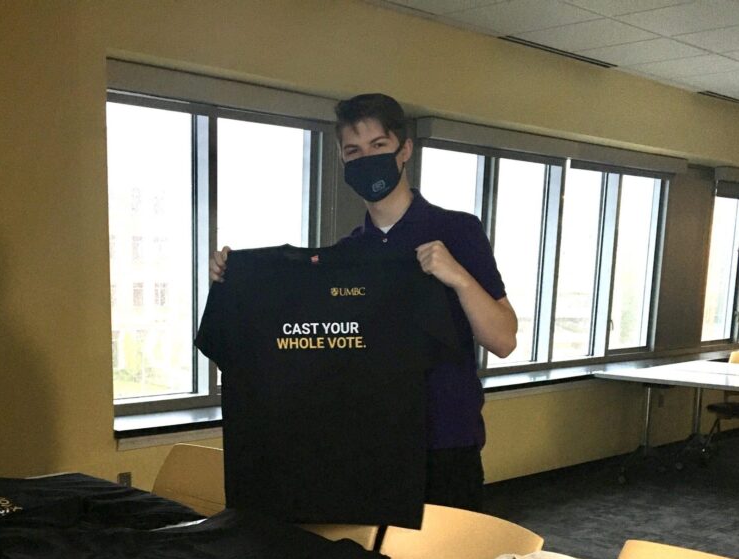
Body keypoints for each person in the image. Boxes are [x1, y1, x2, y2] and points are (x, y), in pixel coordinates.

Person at [210, 93, 517, 511]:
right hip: (373, 446)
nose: (365, 158)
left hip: (445, 442)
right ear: (341, 159)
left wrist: (458, 277)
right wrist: (238, 281)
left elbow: (502, 340)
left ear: (404, 150)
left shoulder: (457, 231)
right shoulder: (348, 256)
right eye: (353, 151)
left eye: (378, 146)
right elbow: (314, 342)